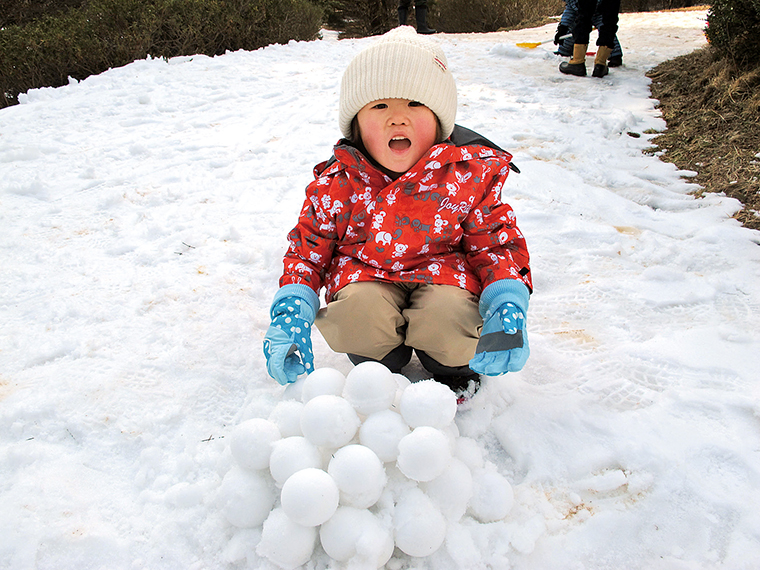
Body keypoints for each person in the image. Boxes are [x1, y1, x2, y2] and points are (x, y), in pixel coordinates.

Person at [263, 27, 532, 398]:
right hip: (368, 281)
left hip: (446, 284)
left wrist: (506, 302)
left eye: (414, 104)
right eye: (379, 106)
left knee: (449, 317)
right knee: (358, 312)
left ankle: (450, 366)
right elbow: (308, 251)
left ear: (440, 122)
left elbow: (495, 245)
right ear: (356, 125)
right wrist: (291, 313)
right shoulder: (338, 182)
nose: (397, 119)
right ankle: (381, 363)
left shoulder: (469, 176)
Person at [559, 0, 621, 78]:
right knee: (608, 22)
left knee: (583, 19)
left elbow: (572, 9)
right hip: (601, 9)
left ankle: (577, 62)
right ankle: (600, 64)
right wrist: (563, 27)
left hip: (596, 12)